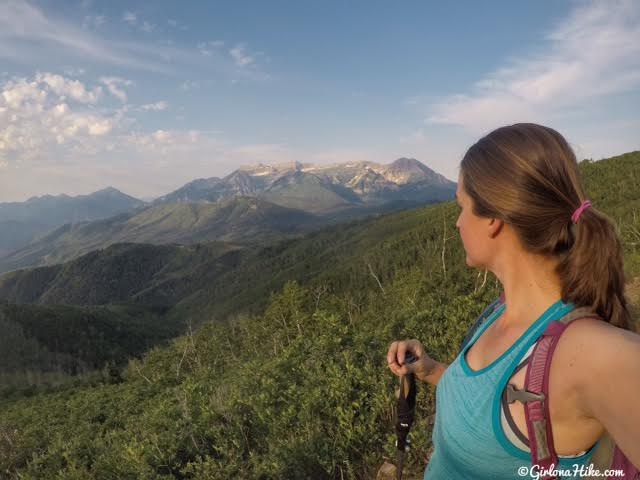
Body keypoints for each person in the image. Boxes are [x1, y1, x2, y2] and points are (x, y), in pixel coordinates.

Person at [387, 123, 640, 479]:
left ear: (492, 219)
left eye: (462, 206)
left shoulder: (589, 353)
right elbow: (488, 408)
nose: (458, 223)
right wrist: (430, 370)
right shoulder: (502, 312)